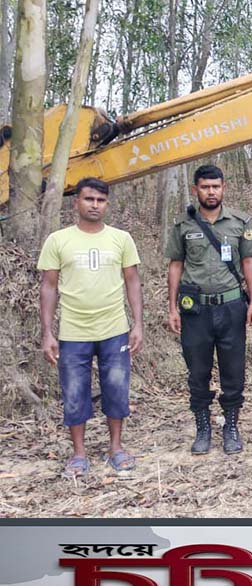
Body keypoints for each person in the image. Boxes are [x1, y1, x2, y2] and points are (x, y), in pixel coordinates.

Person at [38, 178, 143, 477]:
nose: (95, 205)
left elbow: (132, 281)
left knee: (117, 390)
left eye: (100, 200)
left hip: (114, 329)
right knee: (74, 392)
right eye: (89, 199)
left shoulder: (121, 238)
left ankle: (116, 448)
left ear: (107, 204)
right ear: (76, 203)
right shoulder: (58, 240)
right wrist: (47, 332)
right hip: (73, 331)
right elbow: (48, 286)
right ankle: (79, 454)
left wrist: (138, 323)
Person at [166, 164, 252, 456]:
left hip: (231, 306)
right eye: (205, 187)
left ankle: (231, 426)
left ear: (224, 188)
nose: (211, 192)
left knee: (233, 370)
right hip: (196, 310)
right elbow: (176, 265)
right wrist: (172, 307)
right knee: (197, 371)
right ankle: (203, 427)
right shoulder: (183, 225)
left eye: (216, 187)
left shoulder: (239, 222)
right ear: (195, 189)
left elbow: (249, 263)